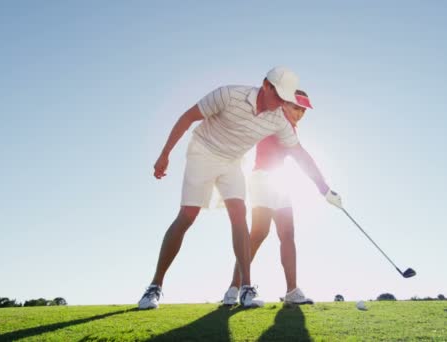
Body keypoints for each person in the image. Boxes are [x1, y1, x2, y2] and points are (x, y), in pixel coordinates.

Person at [138, 66, 342, 309]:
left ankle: (245, 288)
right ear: (265, 85)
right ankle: (155, 287)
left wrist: (324, 189)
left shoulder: (279, 119)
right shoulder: (228, 95)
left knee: (239, 214)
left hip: (232, 161)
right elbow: (188, 117)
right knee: (187, 217)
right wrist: (165, 154)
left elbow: (300, 154)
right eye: (279, 97)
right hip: (203, 151)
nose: (281, 104)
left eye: (286, 100)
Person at [221, 90, 321, 306]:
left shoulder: (290, 127)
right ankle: (233, 288)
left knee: (287, 233)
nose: (300, 113)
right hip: (262, 179)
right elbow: (300, 156)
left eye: (303, 110)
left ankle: (292, 291)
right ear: (284, 104)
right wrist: (323, 186)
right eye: (296, 107)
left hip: (279, 180)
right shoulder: (275, 120)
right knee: (259, 233)